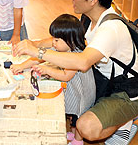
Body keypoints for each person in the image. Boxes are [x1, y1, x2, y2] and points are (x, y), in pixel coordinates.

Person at [13, 0, 138, 145]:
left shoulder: (110, 29)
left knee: (85, 127)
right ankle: (112, 115)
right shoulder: (88, 17)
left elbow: (83, 62)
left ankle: (125, 123)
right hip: (100, 83)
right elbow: (64, 41)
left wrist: (38, 52)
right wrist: (33, 44)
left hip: (122, 94)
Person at [11, 14, 96, 143]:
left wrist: (48, 70)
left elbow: (66, 76)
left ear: (70, 40)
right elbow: (40, 57)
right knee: (73, 117)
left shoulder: (76, 55)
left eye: (56, 40)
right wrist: (22, 65)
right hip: (73, 90)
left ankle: (78, 140)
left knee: (77, 117)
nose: (53, 43)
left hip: (81, 94)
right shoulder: (62, 47)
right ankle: (73, 134)